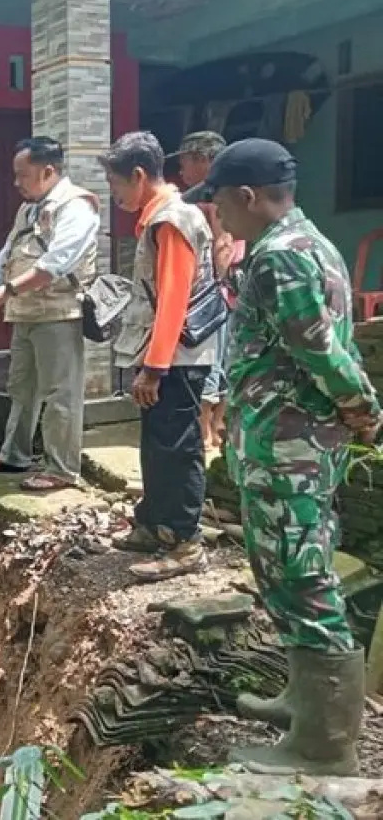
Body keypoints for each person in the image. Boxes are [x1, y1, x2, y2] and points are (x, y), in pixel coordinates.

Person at [204, 139, 381, 776]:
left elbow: (323, 352)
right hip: (295, 444)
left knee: (302, 580)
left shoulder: (279, 258)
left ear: (247, 197)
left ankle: (325, 744)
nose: (218, 216)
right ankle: (304, 702)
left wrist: (365, 410)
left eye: (220, 203)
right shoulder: (314, 245)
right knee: (287, 570)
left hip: (289, 449)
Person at [102, 131, 221, 582]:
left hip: (179, 357)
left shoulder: (171, 220)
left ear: (138, 176)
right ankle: (154, 522)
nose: (115, 196)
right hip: (169, 353)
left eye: (116, 186)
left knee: (177, 445)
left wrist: (154, 368)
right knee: (156, 442)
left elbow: (173, 299)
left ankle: (184, 540)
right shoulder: (160, 218)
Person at [0, 137, 101, 491]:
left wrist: (7, 290)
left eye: (22, 175)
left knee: (60, 392)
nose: (17, 183)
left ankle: (61, 469)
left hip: (58, 313)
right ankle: (14, 453)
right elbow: (8, 251)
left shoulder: (76, 207)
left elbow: (56, 263)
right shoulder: (28, 208)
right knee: (21, 387)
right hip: (25, 313)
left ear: (47, 171)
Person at [175, 131, 246, 449]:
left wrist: (215, 287)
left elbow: (224, 242)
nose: (181, 172)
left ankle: (205, 428)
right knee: (229, 353)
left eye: (185, 162)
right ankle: (218, 426)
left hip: (220, 285)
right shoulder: (233, 189)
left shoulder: (214, 194)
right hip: (236, 283)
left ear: (203, 160)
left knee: (212, 356)